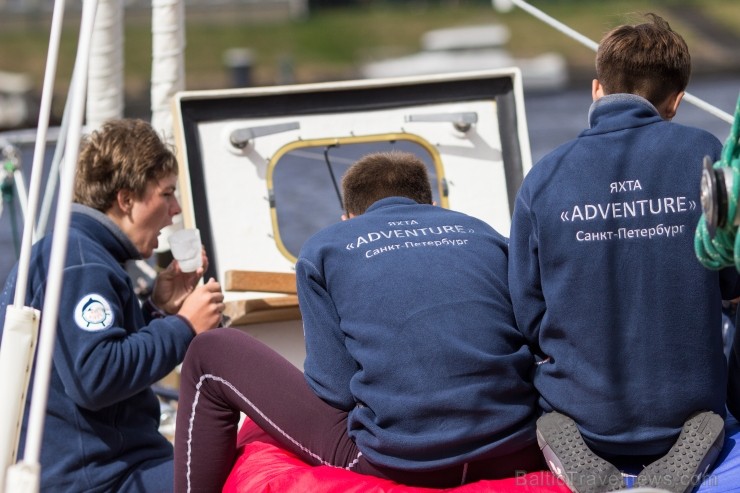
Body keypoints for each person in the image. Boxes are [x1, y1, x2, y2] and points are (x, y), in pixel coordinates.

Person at [174, 151, 544, 492]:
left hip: (402, 463)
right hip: (513, 451)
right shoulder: (485, 233)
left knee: (211, 351)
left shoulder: (326, 247)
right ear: (433, 205)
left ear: (348, 218)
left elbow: (334, 388)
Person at [508, 13, 740, 493]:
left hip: (585, 416)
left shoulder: (544, 178)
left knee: (556, 393)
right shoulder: (703, 151)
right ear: (675, 101)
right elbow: (730, 278)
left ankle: (575, 439)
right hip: (689, 410)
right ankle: (697, 431)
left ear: (596, 90)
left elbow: (528, 316)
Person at [0, 118, 225, 492]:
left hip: (104, 466)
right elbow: (96, 377)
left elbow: (89, 352)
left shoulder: (74, 252)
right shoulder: (82, 263)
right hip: (103, 478)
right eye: (167, 193)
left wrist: (156, 308)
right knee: (245, 476)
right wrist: (185, 326)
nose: (175, 209)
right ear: (126, 200)